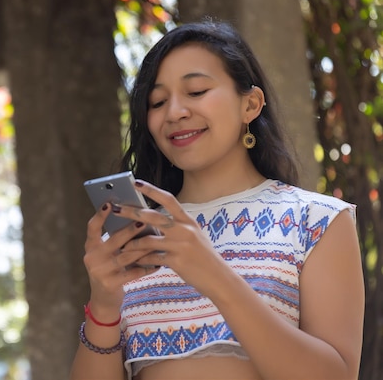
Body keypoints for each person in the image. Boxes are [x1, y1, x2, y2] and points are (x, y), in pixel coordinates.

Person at [69, 20, 364, 380]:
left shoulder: (316, 221)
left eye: (195, 91)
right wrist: (102, 303)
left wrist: (215, 276)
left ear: (251, 104)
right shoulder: (135, 237)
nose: (175, 112)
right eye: (157, 101)